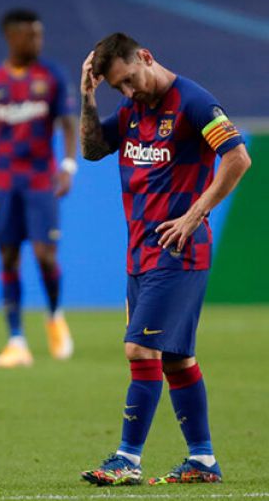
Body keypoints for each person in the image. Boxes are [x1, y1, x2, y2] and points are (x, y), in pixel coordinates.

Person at [79, 33, 250, 486]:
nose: (129, 92)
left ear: (147, 57)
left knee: (140, 348)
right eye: (119, 88)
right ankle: (203, 461)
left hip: (179, 251)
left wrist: (195, 214)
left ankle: (127, 459)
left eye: (130, 80)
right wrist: (88, 99)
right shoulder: (135, 110)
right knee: (177, 359)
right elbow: (94, 149)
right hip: (139, 253)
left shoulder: (194, 103)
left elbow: (238, 158)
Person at [0, 8, 77, 368]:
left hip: (40, 177)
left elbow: (67, 123)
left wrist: (68, 164)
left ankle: (54, 315)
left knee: (46, 254)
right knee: (8, 256)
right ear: (11, 36)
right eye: (30, 35)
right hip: (2, 180)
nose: (37, 41)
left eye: (39, 34)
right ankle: (16, 339)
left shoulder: (51, 77)